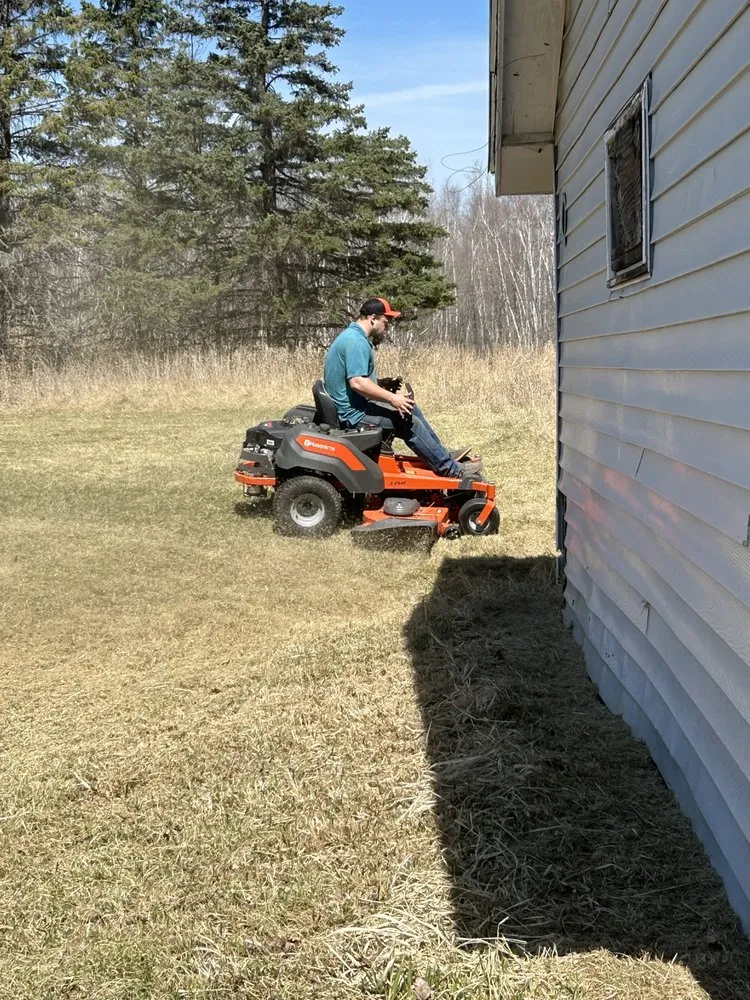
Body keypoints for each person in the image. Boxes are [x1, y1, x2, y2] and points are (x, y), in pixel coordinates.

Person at [323, 297, 483, 479]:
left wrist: (381, 383)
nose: (388, 325)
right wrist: (392, 398)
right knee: (407, 420)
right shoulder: (356, 342)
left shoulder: (352, 336)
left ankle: (441, 454)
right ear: (373, 318)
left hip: (354, 406)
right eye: (386, 320)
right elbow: (358, 382)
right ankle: (450, 470)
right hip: (353, 415)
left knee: (410, 407)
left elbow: (352, 379)